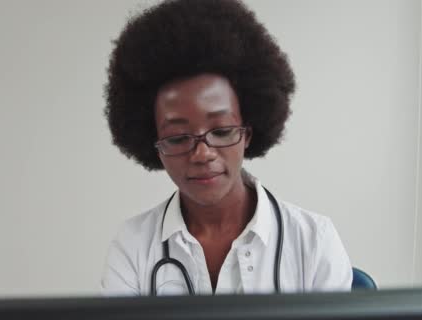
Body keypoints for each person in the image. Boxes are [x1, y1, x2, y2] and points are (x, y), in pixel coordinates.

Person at [101, 0, 352, 296]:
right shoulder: (134, 245)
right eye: (178, 138)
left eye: (221, 131)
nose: (202, 153)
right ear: (153, 144)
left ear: (248, 131)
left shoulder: (314, 242)